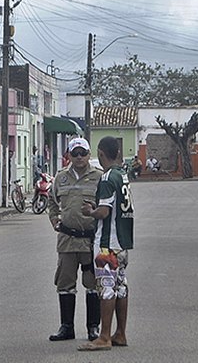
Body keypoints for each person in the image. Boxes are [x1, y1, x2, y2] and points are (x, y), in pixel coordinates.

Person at [78, 136, 134, 352]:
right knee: (121, 287)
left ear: (101, 154)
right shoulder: (123, 176)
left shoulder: (107, 178)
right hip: (123, 242)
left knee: (106, 288)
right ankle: (120, 333)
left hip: (106, 244)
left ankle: (104, 336)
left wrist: (90, 211)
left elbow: (103, 211)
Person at [47, 138, 103, 343]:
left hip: (90, 241)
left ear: (89, 154)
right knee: (65, 284)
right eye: (75, 153)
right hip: (67, 240)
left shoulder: (99, 178)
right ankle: (67, 327)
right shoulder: (60, 178)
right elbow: (51, 202)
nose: (79, 157)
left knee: (92, 284)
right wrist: (54, 218)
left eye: (83, 153)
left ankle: (93, 328)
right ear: (68, 155)